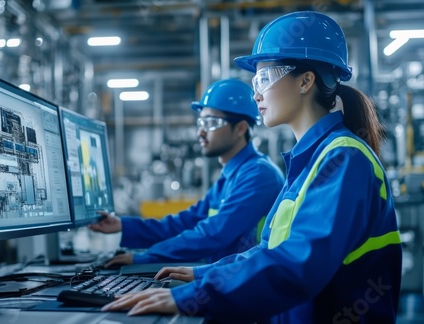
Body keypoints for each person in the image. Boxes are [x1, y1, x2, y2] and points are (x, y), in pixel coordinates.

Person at [102, 11, 402, 323]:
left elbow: (297, 264)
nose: (256, 93)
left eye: (263, 79)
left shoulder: (343, 159)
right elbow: (270, 250)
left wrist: (192, 296)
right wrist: (206, 274)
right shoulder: (311, 161)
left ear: (306, 81)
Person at [89, 78, 284, 268]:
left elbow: (213, 233)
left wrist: (146, 257)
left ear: (241, 128)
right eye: (201, 123)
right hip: (220, 280)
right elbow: (185, 223)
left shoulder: (259, 176)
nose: (201, 132)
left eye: (211, 123)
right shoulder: (230, 176)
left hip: (243, 290)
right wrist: (124, 225)